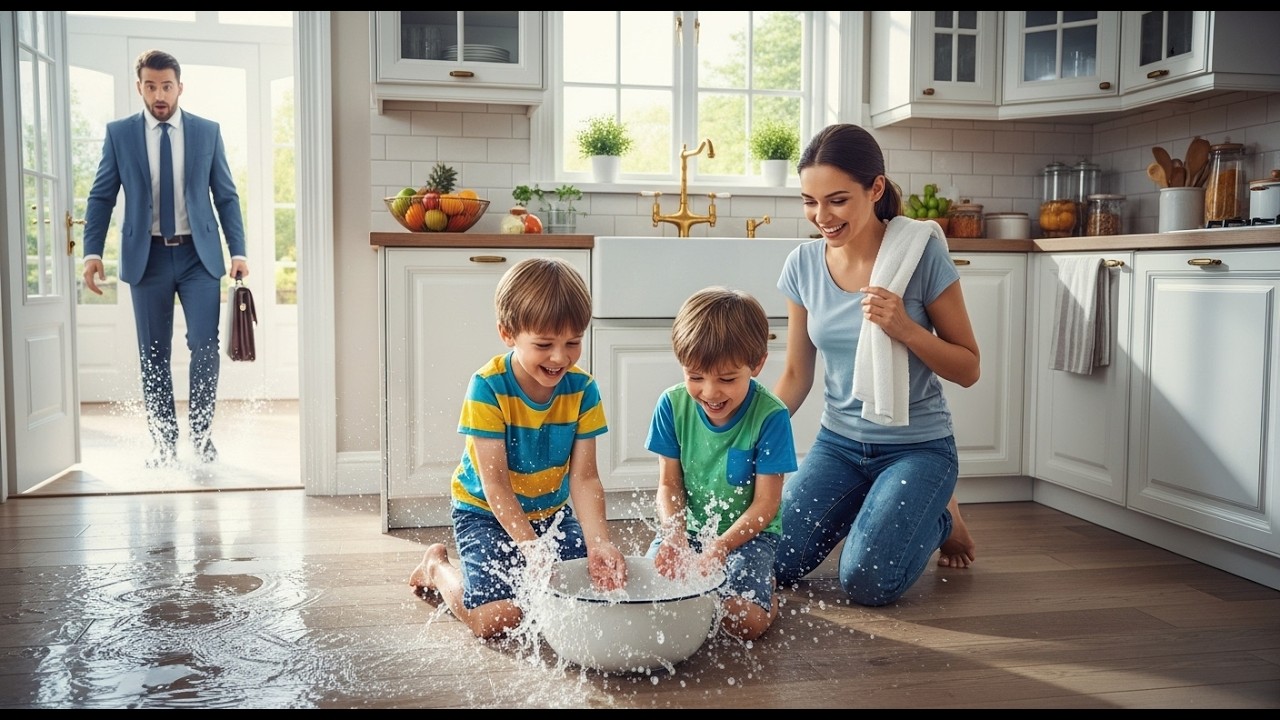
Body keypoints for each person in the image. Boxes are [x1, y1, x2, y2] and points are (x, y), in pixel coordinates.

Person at [771, 123, 980, 608]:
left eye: (837, 200)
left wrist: (906, 329)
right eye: (809, 201)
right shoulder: (802, 264)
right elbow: (797, 375)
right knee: (777, 557)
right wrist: (746, 428)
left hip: (917, 447)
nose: (821, 216)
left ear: (876, 188)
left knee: (866, 581)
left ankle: (941, 513)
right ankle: (884, 506)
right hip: (838, 445)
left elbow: (969, 368)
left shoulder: (919, 254)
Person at [408, 257, 628, 639]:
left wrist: (599, 543)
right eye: (544, 344)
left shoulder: (583, 390)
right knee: (498, 619)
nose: (560, 357)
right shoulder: (488, 387)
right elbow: (494, 485)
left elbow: (586, 478)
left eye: (573, 342)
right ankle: (437, 568)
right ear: (508, 333)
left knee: (591, 594)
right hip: (485, 514)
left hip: (551, 514)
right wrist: (529, 546)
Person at [82, 49, 248, 469]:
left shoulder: (207, 132)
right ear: (139, 86)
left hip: (199, 256)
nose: (159, 94)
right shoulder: (120, 134)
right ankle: (164, 442)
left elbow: (225, 196)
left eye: (167, 86)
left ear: (180, 87)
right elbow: (102, 196)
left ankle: (202, 435)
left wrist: (238, 251)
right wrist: (92, 251)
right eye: (151, 86)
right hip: (147, 257)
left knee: (205, 347)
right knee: (152, 352)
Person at [644, 287, 797, 641]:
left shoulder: (771, 415)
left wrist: (721, 546)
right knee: (654, 606)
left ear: (756, 364)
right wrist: (674, 535)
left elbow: (766, 504)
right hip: (688, 531)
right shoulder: (671, 405)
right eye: (695, 376)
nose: (710, 393)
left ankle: (767, 596)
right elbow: (669, 485)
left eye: (727, 379)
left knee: (743, 624)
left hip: (748, 538)